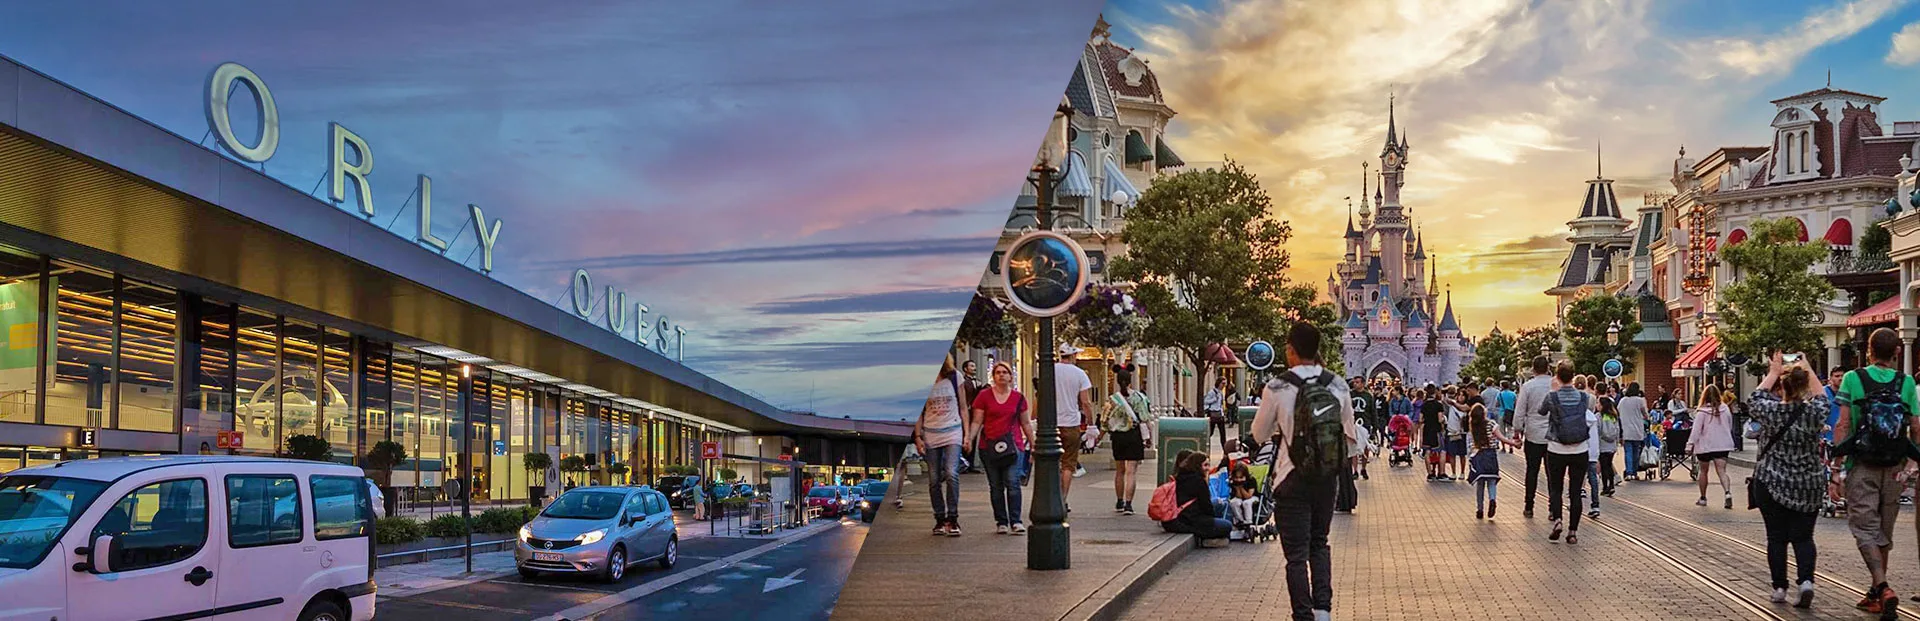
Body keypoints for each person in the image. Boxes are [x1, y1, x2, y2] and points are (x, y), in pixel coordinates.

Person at [1251, 322, 1356, 621]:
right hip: (1326, 476)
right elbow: (1348, 433)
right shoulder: (1337, 384)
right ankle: (1323, 611)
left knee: (1296, 555)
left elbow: (1259, 433)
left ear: (1291, 350)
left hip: (1291, 476)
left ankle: (1303, 615)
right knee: (1319, 543)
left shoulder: (1278, 386)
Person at [1835, 328, 1919, 617]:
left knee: (1865, 529)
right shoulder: (1906, 382)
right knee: (1884, 530)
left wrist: (1837, 466)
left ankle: (1882, 586)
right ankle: (1876, 593)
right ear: (1896, 352)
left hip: (1862, 464)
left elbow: (1843, 424)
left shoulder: (1852, 378)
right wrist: (1912, 464)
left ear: (1868, 351)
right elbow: (1916, 427)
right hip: (1895, 465)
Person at [1751, 351, 1829, 609]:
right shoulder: (1814, 413)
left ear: (1782, 388)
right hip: (1807, 483)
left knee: (1776, 537)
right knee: (1804, 537)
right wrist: (1807, 367)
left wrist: (1773, 372)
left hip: (1771, 482)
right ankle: (1806, 582)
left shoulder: (1771, 412)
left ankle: (1779, 587)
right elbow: (1823, 398)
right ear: (1804, 385)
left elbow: (1755, 398)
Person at [967, 361, 1034, 536]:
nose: (1001, 375)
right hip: (988, 446)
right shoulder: (983, 396)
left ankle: (1016, 521)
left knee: (1013, 483)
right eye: (998, 372)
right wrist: (969, 438)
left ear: (1011, 377)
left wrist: (1034, 444)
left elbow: (1025, 422)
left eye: (1005, 372)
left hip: (1014, 447)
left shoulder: (1018, 398)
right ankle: (1001, 521)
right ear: (994, 376)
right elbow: (976, 421)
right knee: (996, 486)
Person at [1537, 360, 1596, 544]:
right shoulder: (1584, 398)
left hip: (1556, 447)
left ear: (1557, 376)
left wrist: (1553, 390)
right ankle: (1572, 531)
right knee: (1576, 490)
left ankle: (1558, 520)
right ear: (1573, 375)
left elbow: (1541, 411)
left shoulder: (1551, 396)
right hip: (1580, 448)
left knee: (1556, 488)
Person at [916, 356, 968, 536]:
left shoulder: (954, 377)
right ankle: (939, 518)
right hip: (931, 433)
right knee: (934, 478)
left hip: (953, 431)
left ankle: (953, 518)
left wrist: (967, 434)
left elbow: (963, 407)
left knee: (952, 473)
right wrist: (918, 436)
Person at [1102, 367, 1156, 516]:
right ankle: (1128, 504)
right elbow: (1145, 418)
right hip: (1133, 435)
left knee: (1120, 471)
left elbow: (1104, 422)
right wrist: (1149, 437)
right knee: (1131, 471)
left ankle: (1119, 501)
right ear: (1130, 381)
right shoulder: (1138, 398)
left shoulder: (1112, 400)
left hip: (1118, 437)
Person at [1514, 355, 1556, 519]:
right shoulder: (1555, 385)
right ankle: (1553, 508)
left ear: (1533, 369)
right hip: (1553, 435)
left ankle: (1529, 506)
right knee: (1553, 472)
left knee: (1532, 470)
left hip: (1533, 434)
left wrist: (1517, 431)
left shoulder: (1528, 386)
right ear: (1548, 368)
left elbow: (1520, 411)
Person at [1164, 450, 1232, 544]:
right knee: (1227, 525)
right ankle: (1216, 536)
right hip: (1190, 519)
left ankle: (1217, 533)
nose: (1208, 468)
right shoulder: (1199, 481)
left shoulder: (1180, 477)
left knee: (1220, 504)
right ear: (1198, 465)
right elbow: (1206, 506)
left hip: (1178, 517)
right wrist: (1210, 521)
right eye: (1205, 465)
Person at [1055, 344, 1096, 498]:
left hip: (1051, 424)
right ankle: (1063, 498)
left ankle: (1053, 496)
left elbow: (1040, 398)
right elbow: (1085, 402)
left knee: (1052, 462)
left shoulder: (1050, 370)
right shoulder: (1080, 374)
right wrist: (1091, 424)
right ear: (1073, 356)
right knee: (1068, 464)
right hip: (1071, 423)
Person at [1467, 403, 1520, 520]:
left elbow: (1470, 444)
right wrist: (1514, 444)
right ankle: (1492, 499)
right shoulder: (1491, 424)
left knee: (1480, 484)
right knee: (1492, 481)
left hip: (1479, 456)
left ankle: (1480, 509)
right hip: (1491, 455)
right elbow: (1502, 438)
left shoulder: (1473, 425)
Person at [1688, 383, 1737, 509]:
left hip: (1705, 446)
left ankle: (1703, 498)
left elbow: (1696, 430)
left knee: (1704, 471)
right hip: (1722, 444)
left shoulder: (1701, 412)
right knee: (1722, 471)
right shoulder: (1725, 409)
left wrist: (1690, 444)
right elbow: (1730, 425)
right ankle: (1727, 492)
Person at [1590, 396, 1621, 516]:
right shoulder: (1613, 416)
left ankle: (1605, 487)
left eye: (1598, 403)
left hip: (1602, 445)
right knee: (1609, 465)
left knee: (1603, 467)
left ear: (1602, 406)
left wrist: (1596, 445)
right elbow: (1618, 430)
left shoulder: (1599, 416)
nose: (1597, 405)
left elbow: (1597, 431)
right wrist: (1617, 442)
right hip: (1611, 446)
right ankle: (1611, 485)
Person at [959, 359, 988, 474]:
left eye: (974, 366)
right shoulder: (963, 381)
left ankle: (970, 464)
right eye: (971, 366)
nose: (974, 368)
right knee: (964, 437)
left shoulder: (978, 381)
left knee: (973, 437)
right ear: (965, 369)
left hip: (974, 412)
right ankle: (963, 463)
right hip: (966, 411)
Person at [1619, 383, 1649, 481]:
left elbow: (1618, 411)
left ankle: (1629, 472)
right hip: (1637, 429)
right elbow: (1645, 414)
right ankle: (1635, 472)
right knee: (1636, 452)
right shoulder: (1640, 401)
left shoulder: (1623, 401)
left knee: (1628, 451)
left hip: (1626, 429)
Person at [1421, 387, 1447, 481]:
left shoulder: (1424, 405)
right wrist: (1444, 419)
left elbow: (1420, 419)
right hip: (1436, 430)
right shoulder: (1438, 405)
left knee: (1427, 452)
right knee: (1442, 451)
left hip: (1427, 430)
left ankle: (1430, 474)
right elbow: (1440, 419)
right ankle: (1442, 473)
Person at [1226, 462, 1259, 536]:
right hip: (1240, 497)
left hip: (1252, 497)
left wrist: (1241, 488)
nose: (1238, 480)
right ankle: (1240, 521)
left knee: (1246, 503)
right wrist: (1237, 489)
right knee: (1234, 502)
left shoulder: (1251, 480)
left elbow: (1249, 496)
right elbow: (1238, 497)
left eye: (1241, 478)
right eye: (1236, 478)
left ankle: (1248, 521)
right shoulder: (1234, 482)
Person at [1205, 376, 1231, 454]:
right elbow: (1206, 401)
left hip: (1220, 415)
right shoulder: (1212, 392)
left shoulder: (1221, 392)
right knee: (1211, 432)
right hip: (1213, 414)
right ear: (1218, 383)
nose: (1224, 385)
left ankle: (1225, 451)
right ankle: (1205, 445)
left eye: (1225, 384)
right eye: (1222, 383)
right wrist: (1214, 399)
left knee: (1223, 434)